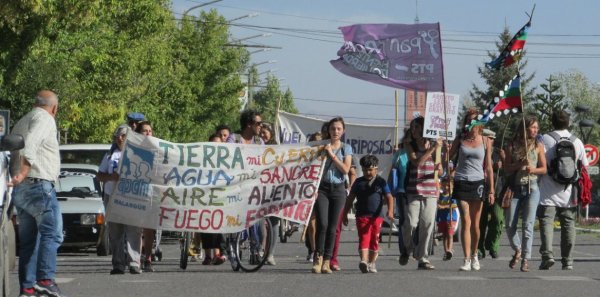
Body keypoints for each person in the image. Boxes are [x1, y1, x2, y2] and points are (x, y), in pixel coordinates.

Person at [10, 90, 66, 297]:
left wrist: (18, 175)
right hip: (38, 184)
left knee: (29, 241)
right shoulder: (45, 119)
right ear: (54, 108)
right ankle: (45, 280)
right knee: (53, 233)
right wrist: (25, 172)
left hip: (22, 190)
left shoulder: (22, 120)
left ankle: (27, 287)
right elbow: (31, 144)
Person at [538, 110, 588, 271]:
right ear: (568, 123)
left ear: (552, 122)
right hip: (569, 191)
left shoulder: (545, 139)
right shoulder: (577, 141)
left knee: (547, 222)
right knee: (568, 225)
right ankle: (568, 261)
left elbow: (540, 163)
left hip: (547, 190)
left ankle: (548, 255)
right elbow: (584, 166)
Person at [449, 108, 494, 271]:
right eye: (468, 120)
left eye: (474, 120)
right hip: (461, 181)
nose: (470, 123)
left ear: (479, 123)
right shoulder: (460, 139)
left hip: (478, 183)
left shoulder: (486, 140)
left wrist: (491, 190)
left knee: (476, 224)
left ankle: (475, 255)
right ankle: (466, 259)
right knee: (465, 220)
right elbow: (447, 156)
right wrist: (442, 148)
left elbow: (488, 167)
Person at [98, 124, 144, 275]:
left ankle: (134, 262)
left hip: (132, 197)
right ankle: (118, 264)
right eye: (117, 136)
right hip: (112, 197)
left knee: (133, 230)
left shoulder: (138, 154)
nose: (119, 138)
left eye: (123, 136)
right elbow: (100, 175)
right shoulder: (110, 155)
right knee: (115, 231)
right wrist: (111, 177)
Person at [503, 116, 547, 272]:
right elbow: (507, 167)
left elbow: (544, 168)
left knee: (528, 225)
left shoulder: (538, 145)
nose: (535, 130)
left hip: (532, 187)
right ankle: (518, 248)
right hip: (515, 188)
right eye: (532, 127)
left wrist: (533, 170)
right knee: (509, 224)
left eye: (537, 128)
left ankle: (526, 259)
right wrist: (519, 165)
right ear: (524, 128)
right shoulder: (512, 145)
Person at [401, 116, 442, 270]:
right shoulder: (409, 144)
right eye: (413, 127)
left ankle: (423, 257)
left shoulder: (437, 145)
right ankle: (408, 248)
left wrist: (440, 169)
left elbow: (441, 169)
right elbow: (417, 162)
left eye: (417, 127)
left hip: (431, 190)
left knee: (428, 224)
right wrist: (431, 149)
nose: (414, 130)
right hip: (414, 190)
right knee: (410, 223)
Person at [312, 117, 353, 274]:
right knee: (322, 223)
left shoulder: (346, 148)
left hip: (338, 189)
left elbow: (345, 169)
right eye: (332, 128)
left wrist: (332, 155)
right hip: (322, 189)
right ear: (328, 130)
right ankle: (318, 257)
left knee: (333, 226)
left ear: (343, 131)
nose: (335, 131)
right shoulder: (321, 146)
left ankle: (327, 260)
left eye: (338, 129)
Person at [342, 155, 394, 273]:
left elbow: (389, 197)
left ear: (376, 169)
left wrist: (390, 211)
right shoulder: (358, 182)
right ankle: (364, 261)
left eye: (370, 169)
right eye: (365, 170)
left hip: (377, 217)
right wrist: (345, 213)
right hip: (362, 215)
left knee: (374, 240)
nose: (367, 172)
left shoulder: (381, 182)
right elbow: (350, 198)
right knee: (364, 238)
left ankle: (372, 262)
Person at [478, 129, 504, 259]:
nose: (489, 140)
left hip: (498, 191)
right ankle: (479, 248)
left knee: (498, 219)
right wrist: (493, 167)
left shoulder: (499, 152)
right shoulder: (478, 151)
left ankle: (493, 245)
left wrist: (503, 162)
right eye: (487, 137)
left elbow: (508, 169)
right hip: (481, 190)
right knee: (480, 221)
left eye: (491, 138)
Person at [135, 121, 157, 272]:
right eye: (144, 131)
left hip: (152, 194)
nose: (148, 133)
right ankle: (136, 258)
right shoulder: (133, 149)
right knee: (137, 229)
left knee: (149, 230)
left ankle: (147, 257)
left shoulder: (158, 149)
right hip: (135, 193)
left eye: (150, 131)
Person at [391, 130, 411, 265]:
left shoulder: (419, 152)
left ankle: (415, 247)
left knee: (415, 221)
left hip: (416, 191)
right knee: (404, 221)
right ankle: (404, 250)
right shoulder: (400, 154)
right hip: (402, 191)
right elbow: (392, 170)